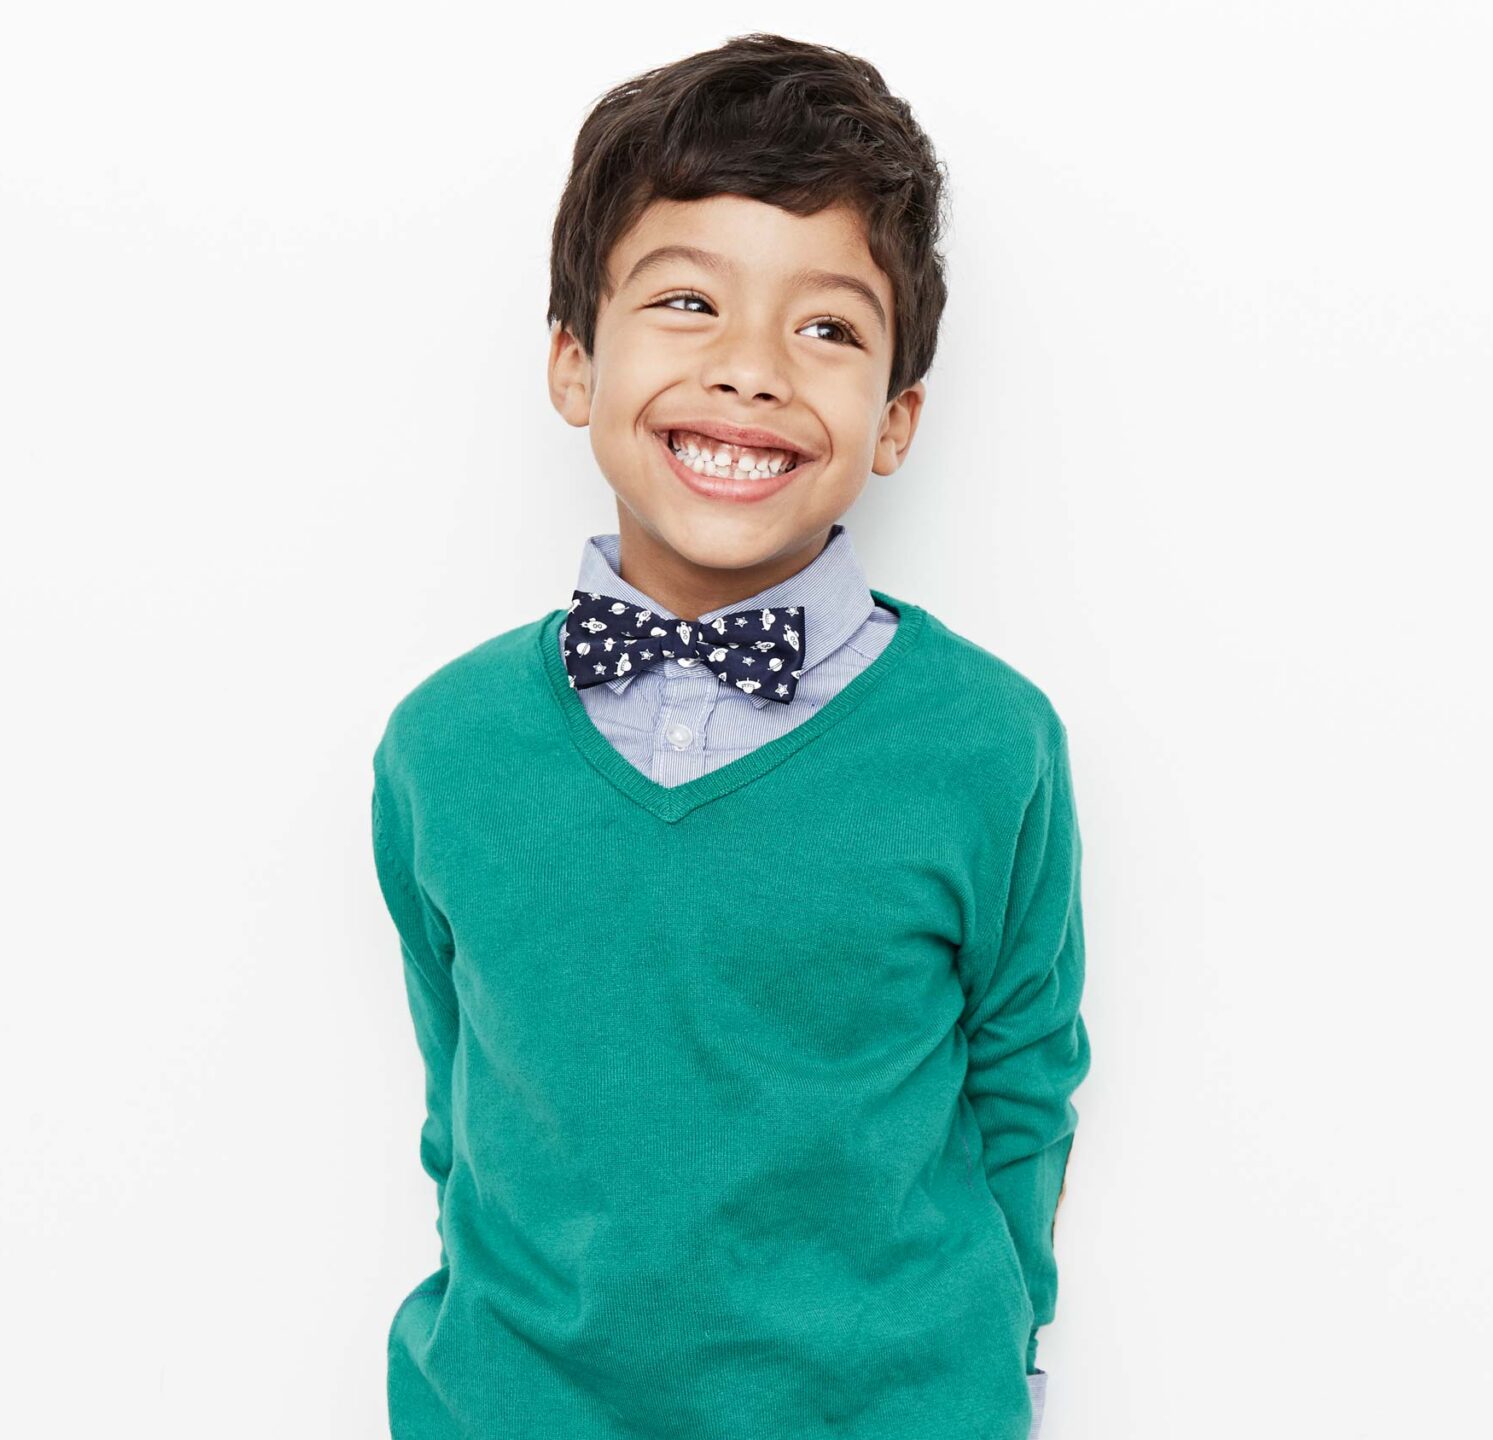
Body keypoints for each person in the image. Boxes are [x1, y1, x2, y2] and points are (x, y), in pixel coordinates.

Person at [366, 34, 1089, 1439]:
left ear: (897, 418)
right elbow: (464, 1099)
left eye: (827, 327)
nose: (753, 370)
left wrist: (991, 1376)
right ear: (576, 366)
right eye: (688, 302)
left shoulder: (989, 747)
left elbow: (1022, 1087)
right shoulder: (442, 748)